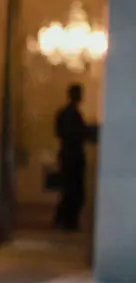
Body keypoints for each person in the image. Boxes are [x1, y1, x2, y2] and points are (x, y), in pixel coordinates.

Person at [53, 83, 98, 232]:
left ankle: (64, 220)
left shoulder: (65, 113)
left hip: (68, 155)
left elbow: (60, 132)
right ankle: (68, 222)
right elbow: (75, 133)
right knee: (74, 191)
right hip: (73, 156)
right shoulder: (73, 114)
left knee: (69, 190)